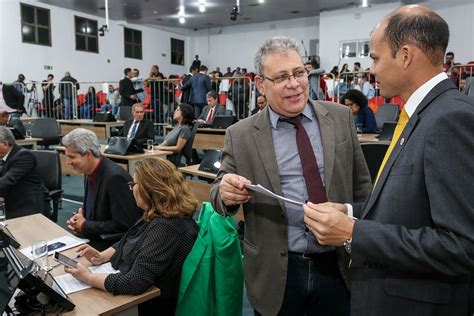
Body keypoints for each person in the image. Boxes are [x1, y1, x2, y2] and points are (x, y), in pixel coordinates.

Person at [303, 6, 474, 316]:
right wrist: (351, 211)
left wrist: (354, 232)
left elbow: (461, 246)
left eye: (376, 58)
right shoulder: (421, 113)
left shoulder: (450, 119)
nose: (372, 70)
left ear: (406, 56)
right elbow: (409, 200)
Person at [210, 36, 371, 316]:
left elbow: (363, 190)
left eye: (299, 73)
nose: (294, 83)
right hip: (277, 272)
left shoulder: (341, 117)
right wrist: (225, 192)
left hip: (340, 264)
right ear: (262, 84)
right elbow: (218, 192)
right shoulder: (240, 135)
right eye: (282, 77)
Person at [64, 157, 199, 316]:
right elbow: (131, 238)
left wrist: (88, 278)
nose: (131, 189)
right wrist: (101, 256)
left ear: (150, 189)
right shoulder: (158, 211)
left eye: (134, 184)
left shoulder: (166, 226)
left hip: (149, 305)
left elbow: (135, 282)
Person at [63, 128, 141, 251]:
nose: (67, 162)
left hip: (108, 247)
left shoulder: (115, 178)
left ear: (88, 154)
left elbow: (125, 224)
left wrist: (85, 225)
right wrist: (81, 215)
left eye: (72, 157)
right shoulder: (88, 171)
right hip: (91, 238)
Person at [0, 127, 50, 219]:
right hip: (11, 201)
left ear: (5, 144)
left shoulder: (24, 156)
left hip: (27, 205)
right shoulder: (3, 157)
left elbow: (8, 180)